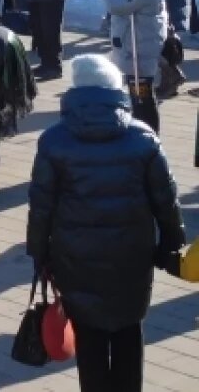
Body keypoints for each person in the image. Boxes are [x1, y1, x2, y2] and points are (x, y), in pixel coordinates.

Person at [27, 54, 185, 392]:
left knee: (89, 335)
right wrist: (171, 244)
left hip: (75, 256)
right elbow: (165, 199)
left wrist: (39, 254)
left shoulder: (54, 140)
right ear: (115, 88)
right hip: (132, 254)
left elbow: (41, 205)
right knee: (129, 329)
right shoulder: (142, 137)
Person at [95, 0, 173, 132]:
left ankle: (148, 140)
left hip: (139, 55)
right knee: (140, 98)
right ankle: (145, 138)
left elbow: (116, 5)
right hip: (137, 51)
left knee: (142, 101)